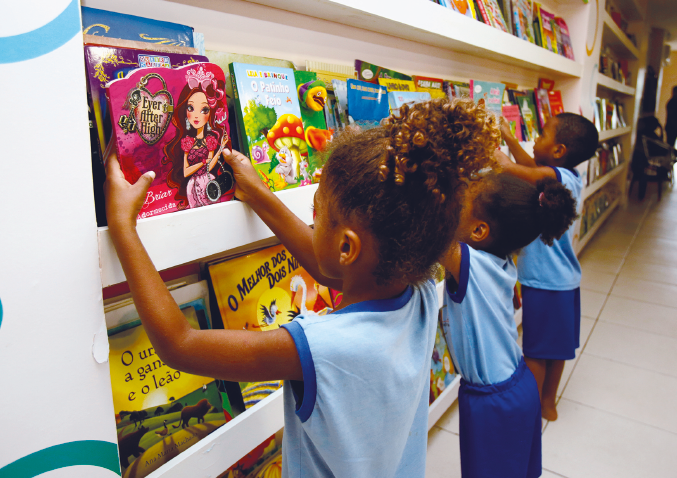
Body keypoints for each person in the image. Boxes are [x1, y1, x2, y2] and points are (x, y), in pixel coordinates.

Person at [103, 97, 499, 476]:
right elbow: (329, 270)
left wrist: (123, 227)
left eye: (318, 211)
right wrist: (258, 192)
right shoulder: (423, 291)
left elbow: (180, 344)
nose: (313, 218)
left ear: (347, 246)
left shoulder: (318, 347)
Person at [438, 172, 576, 477]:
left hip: (494, 401)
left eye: (460, 202)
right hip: (518, 385)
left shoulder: (468, 263)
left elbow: (428, 231)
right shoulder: (499, 259)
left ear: (478, 230)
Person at [498, 112, 598, 421]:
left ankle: (530, 408)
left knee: (536, 352)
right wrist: (511, 138)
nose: (537, 138)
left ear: (558, 151)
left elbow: (518, 171)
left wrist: (493, 154)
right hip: (564, 282)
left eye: (542, 135)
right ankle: (548, 402)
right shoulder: (569, 177)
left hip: (545, 284)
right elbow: (532, 167)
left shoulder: (558, 178)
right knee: (557, 350)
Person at [163, 65, 231, 208]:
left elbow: (210, 164)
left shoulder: (211, 140)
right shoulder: (187, 142)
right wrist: (202, 163)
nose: (196, 115)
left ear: (210, 113)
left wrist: (221, 149)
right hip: (192, 186)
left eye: (204, 109)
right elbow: (186, 171)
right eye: (190, 108)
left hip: (209, 182)